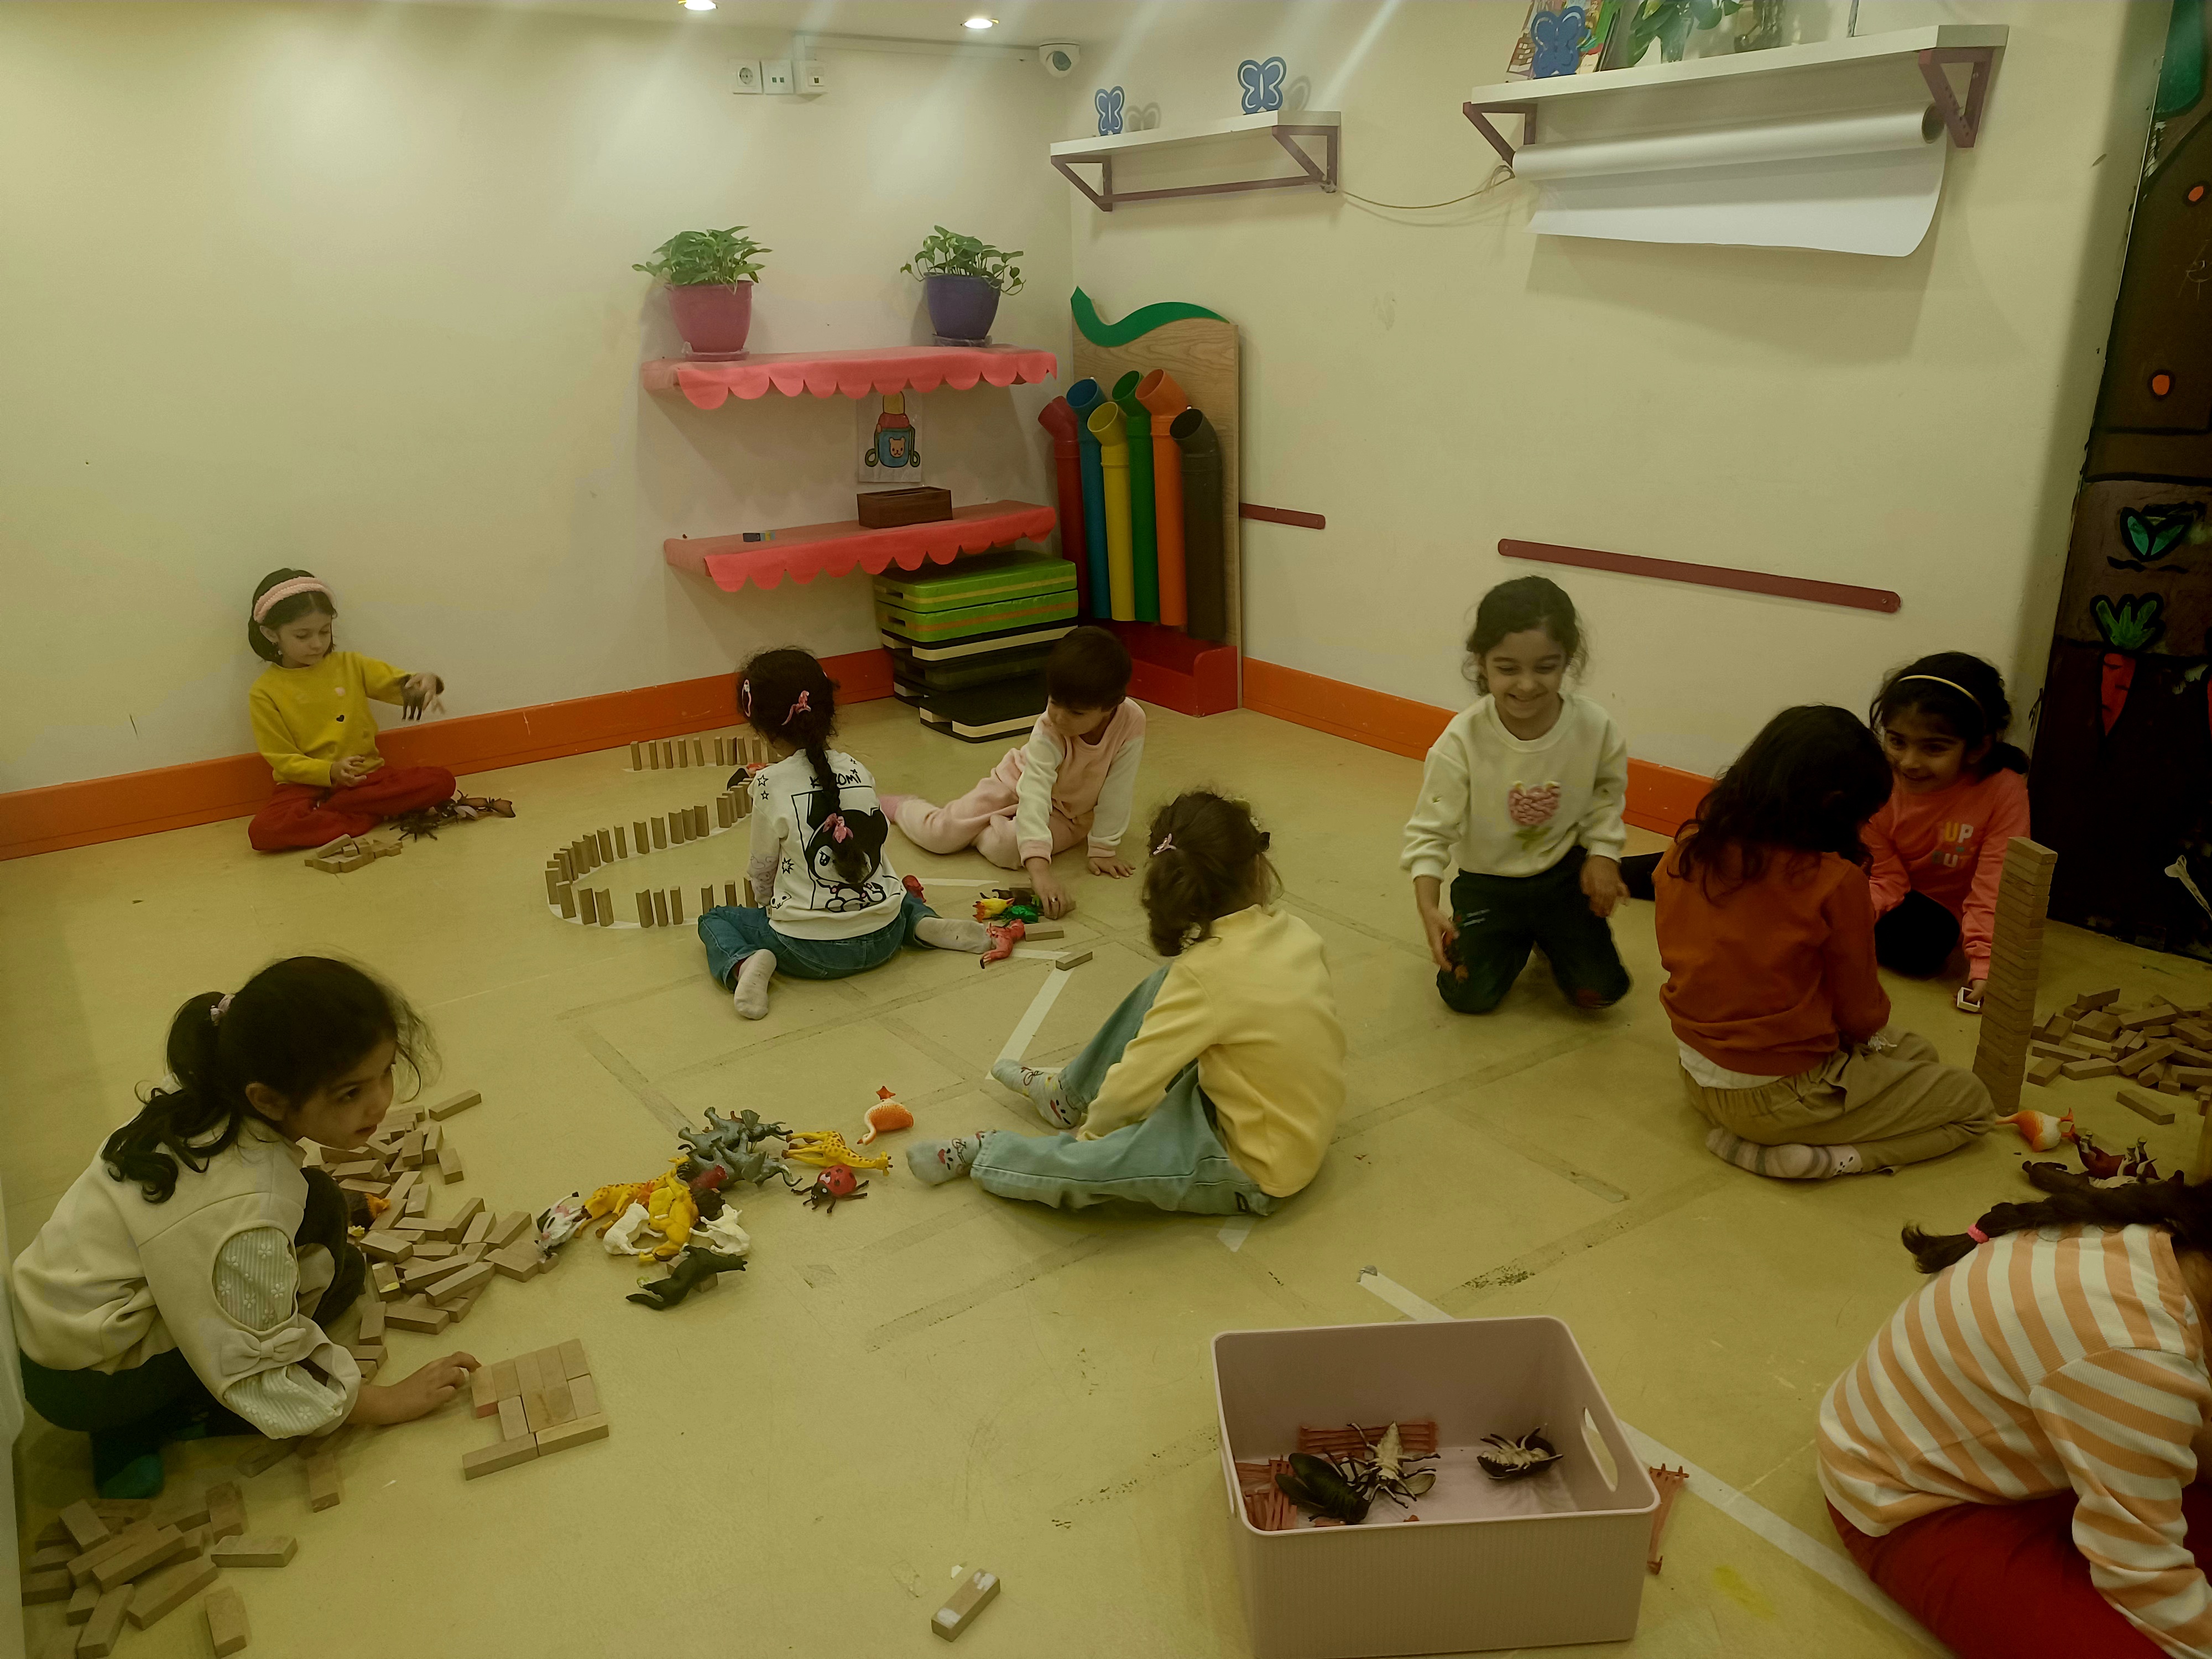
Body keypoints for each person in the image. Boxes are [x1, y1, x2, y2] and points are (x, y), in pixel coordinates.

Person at [9, 958, 478, 1499]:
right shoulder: (243, 1210)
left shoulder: (207, 1083)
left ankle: (158, 1402)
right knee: (329, 1281)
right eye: (349, 1093)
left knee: (330, 1234)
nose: (380, 1102)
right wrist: (385, 1403)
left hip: (60, 1320)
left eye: (386, 1071)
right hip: (90, 1380)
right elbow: (257, 1353)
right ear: (268, 1099)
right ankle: (149, 1420)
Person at [1820, 1166, 2212, 1659]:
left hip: (1992, 1440)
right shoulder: (2140, 1359)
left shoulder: (2160, 1241)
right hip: (1907, 1499)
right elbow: (2145, 1575)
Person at [907, 790, 1345, 1214]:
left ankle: (988, 1152)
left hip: (1255, 1166)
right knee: (1172, 986)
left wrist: (1092, 1147)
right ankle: (1065, 1095)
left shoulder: (1205, 973)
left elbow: (1132, 1086)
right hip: (1264, 1109)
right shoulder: (1296, 931)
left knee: (1093, 1166)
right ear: (1257, 867)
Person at [1654, 705, 1992, 1178]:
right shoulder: (1833, 881)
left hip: (1698, 1073)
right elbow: (1862, 1015)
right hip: (1783, 1096)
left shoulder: (1687, 848)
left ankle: (1759, 1136)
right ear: (1836, 806)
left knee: (1916, 1051)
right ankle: (1829, 1160)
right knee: (1972, 1103)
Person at [697, 648, 994, 1020]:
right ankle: (921, 923)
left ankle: (746, 963)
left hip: (806, 951)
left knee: (715, 919)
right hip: (886, 936)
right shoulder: (857, 768)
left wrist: (767, 904)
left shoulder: (769, 784)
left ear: (764, 730)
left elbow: (762, 868)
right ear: (828, 711)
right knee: (895, 891)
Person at [1401, 576, 1630, 1014]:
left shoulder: (1595, 727)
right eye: (1508, 669)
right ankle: (1513, 939)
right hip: (1488, 885)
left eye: (1545, 667)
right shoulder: (1461, 741)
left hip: (1562, 877)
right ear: (1481, 662)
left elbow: (1606, 795)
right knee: (1468, 997)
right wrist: (1427, 905)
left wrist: (1604, 854)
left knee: (1602, 992)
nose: (1526, 685)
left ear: (1567, 660)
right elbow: (1430, 832)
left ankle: (1548, 936)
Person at [884, 625, 1144, 919]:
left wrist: (1103, 849)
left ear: (1110, 706)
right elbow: (1035, 791)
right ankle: (902, 806)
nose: (1059, 717)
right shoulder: (1049, 728)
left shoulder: (1132, 722)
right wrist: (1041, 873)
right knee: (940, 835)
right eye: (1054, 702)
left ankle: (983, 828)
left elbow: (1118, 789)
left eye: (1076, 713)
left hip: (1071, 814)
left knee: (1008, 850)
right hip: (1014, 782)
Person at [242, 568, 509, 852]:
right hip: (303, 786)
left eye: (324, 631)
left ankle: (338, 810)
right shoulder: (264, 692)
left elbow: (400, 685)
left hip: (364, 778)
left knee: (441, 781)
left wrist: (425, 683)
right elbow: (282, 759)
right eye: (302, 635)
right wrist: (330, 771)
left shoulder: (351, 665)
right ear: (270, 634)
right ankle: (367, 811)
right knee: (264, 831)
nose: (317, 643)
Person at [1864, 652, 2032, 1009]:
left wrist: (1986, 963)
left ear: (1979, 747)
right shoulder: (1877, 780)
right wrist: (1848, 918)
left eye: (1934, 748)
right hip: (1881, 885)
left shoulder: (2004, 790)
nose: (1909, 762)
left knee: (1923, 946)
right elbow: (1883, 876)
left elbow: (1997, 882)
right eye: (1897, 741)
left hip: (1937, 912)